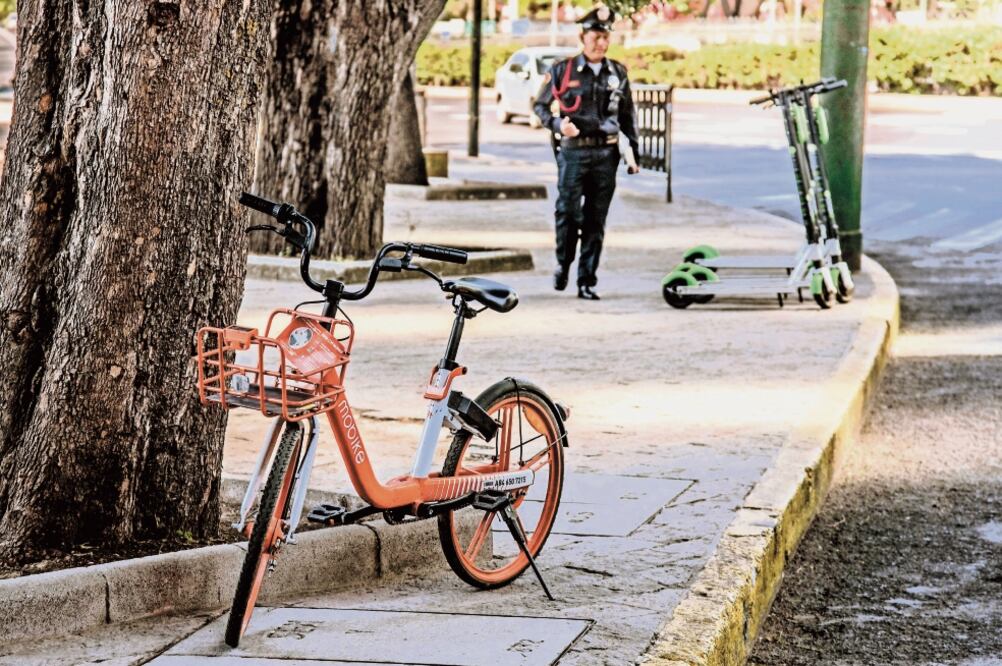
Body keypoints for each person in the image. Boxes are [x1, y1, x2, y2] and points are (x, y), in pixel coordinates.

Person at [533, 5, 639, 301]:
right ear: (583, 36)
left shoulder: (617, 72)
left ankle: (586, 280)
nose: (601, 42)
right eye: (595, 36)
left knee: (596, 219)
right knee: (567, 212)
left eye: (605, 37)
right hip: (573, 154)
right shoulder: (562, 70)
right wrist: (556, 125)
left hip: (606, 156)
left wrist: (635, 154)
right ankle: (563, 263)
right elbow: (540, 107)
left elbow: (628, 115)